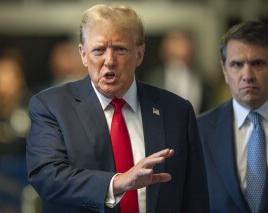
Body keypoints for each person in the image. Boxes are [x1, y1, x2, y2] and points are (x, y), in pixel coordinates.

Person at [26, 4, 209, 213]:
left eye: (120, 49)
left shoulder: (177, 112)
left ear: (139, 54)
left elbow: (196, 198)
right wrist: (118, 183)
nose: (110, 61)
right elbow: (47, 177)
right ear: (83, 54)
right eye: (99, 50)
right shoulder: (51, 107)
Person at [197, 21, 268, 213]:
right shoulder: (198, 131)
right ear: (225, 71)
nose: (247, 75)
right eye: (237, 64)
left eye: (258, 63)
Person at [142, 30, 209, 114]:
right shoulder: (153, 78)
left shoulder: (200, 80)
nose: (178, 47)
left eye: (182, 43)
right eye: (174, 42)